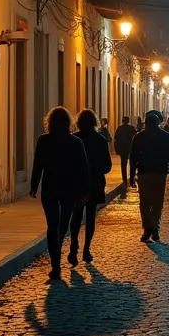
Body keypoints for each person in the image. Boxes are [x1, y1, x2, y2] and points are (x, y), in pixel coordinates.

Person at [30, 107, 90, 280]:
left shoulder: (43, 141)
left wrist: (34, 185)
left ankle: (55, 265)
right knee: (62, 226)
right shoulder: (75, 142)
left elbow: (38, 165)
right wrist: (84, 191)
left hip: (50, 188)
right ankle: (57, 256)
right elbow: (83, 168)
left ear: (49, 122)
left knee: (52, 226)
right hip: (69, 190)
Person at [127, 110, 169, 242]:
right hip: (159, 173)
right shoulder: (167, 136)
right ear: (158, 123)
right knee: (157, 202)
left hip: (144, 173)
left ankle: (147, 229)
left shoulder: (139, 137)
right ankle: (154, 226)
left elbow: (133, 158)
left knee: (144, 203)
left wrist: (132, 175)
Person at [71, 109, 113, 265]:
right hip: (94, 184)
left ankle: (73, 245)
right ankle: (86, 250)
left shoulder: (74, 139)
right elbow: (107, 166)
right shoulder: (100, 140)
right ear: (94, 122)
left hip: (77, 184)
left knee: (75, 216)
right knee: (90, 217)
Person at [114, 116, 137, 188]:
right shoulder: (131, 128)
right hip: (131, 149)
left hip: (122, 150)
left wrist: (117, 149)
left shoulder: (119, 129)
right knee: (132, 164)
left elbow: (116, 139)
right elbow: (135, 138)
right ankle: (131, 179)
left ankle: (124, 179)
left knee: (123, 164)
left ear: (122, 121)